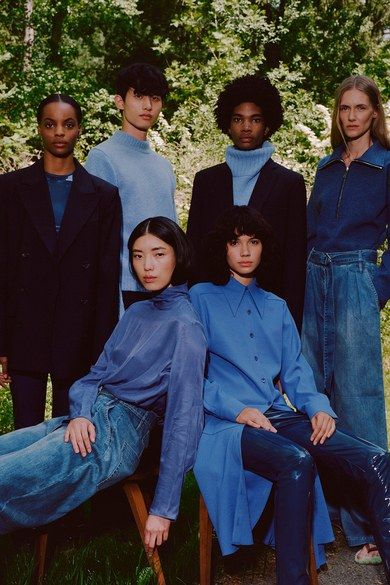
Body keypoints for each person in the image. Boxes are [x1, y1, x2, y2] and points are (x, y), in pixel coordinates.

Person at [189, 206, 390, 585]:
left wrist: (318, 408)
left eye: (254, 241)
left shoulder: (276, 306)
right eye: (235, 243)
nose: (245, 251)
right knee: (297, 460)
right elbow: (189, 378)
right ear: (222, 249)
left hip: (277, 415)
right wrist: (238, 411)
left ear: (265, 248)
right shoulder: (200, 299)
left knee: (378, 459)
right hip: (224, 424)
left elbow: (296, 371)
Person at [0, 217, 207, 552]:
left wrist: (164, 509)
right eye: (138, 256)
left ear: (178, 256)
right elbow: (92, 378)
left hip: (116, 435)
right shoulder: (137, 313)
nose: (147, 266)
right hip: (80, 421)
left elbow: (185, 418)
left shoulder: (186, 327)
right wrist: (80, 414)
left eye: (158, 254)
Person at [301, 75, 390, 563]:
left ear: (374, 113)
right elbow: (313, 230)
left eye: (360, 108)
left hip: (356, 276)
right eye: (344, 109)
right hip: (315, 278)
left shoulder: (385, 166)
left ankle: (376, 527)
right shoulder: (327, 166)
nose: (351, 116)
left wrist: (376, 287)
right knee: (317, 395)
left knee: (359, 400)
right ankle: (334, 514)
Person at [0, 94, 121, 429]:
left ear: (79, 129)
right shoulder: (10, 189)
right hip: (26, 327)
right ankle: (23, 484)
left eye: (68, 124)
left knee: (70, 431)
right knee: (25, 431)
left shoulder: (103, 196)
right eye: (50, 124)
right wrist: (3, 340)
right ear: (39, 128)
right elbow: (4, 267)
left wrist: (101, 347)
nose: (59, 133)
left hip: (77, 332)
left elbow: (106, 277)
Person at [187, 74, 307, 329]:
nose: (246, 127)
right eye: (238, 119)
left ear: (268, 125)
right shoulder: (206, 181)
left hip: (268, 310)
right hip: (214, 309)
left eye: (256, 119)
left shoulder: (290, 184)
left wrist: (291, 325)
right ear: (227, 124)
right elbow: (195, 252)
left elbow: (295, 262)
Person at [85, 63, 177, 310]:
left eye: (155, 98)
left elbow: (173, 236)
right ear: (119, 101)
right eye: (138, 95)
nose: (147, 105)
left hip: (165, 292)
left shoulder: (164, 166)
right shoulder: (102, 157)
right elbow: (95, 241)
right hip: (123, 292)